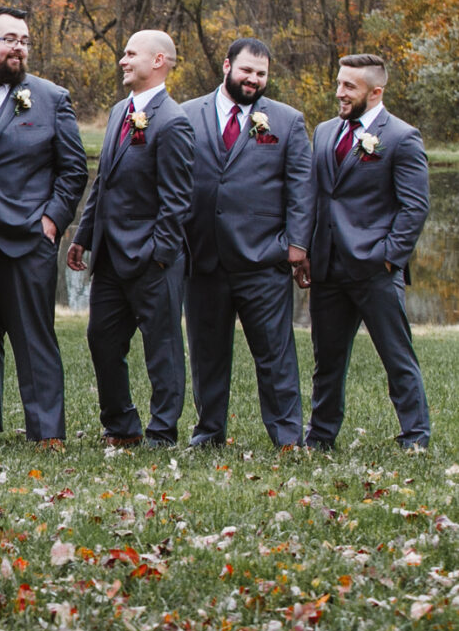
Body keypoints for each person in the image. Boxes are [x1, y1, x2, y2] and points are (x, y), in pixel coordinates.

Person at [0, 8, 87, 450]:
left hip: (26, 237)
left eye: (26, 41)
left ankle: (47, 431)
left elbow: (72, 170)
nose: (19, 48)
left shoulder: (51, 97)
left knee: (35, 339)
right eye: (10, 38)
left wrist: (51, 220)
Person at [180, 38, 312, 449]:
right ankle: (209, 432)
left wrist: (297, 244)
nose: (254, 79)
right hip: (203, 257)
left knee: (275, 355)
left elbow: (302, 188)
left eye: (261, 73)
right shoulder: (186, 115)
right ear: (226, 66)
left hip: (263, 257)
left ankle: (288, 436)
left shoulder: (287, 121)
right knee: (207, 354)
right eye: (247, 71)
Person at [68, 30, 194, 447]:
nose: (123, 60)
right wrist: (83, 237)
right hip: (109, 257)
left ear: (158, 61)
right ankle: (121, 425)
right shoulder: (121, 110)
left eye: (130, 54)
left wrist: (160, 255)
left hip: (152, 259)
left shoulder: (173, 122)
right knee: (101, 339)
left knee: (163, 350)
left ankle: (162, 431)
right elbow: (102, 181)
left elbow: (177, 201)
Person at [301, 53, 431, 451]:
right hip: (327, 267)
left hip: (375, 268)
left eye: (349, 87)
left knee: (397, 357)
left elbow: (415, 207)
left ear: (375, 92)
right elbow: (315, 196)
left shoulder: (401, 137)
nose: (339, 92)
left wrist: (388, 257)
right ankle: (321, 437)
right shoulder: (324, 132)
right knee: (327, 363)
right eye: (339, 83)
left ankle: (416, 437)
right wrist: (306, 251)